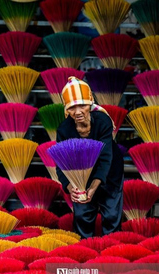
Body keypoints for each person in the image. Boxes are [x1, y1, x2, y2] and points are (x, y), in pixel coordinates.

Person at [56, 76, 124, 238]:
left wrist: (93, 188)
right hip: (80, 178)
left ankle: (111, 253)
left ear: (90, 103)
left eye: (82, 105)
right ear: (66, 109)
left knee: (111, 215)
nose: (78, 112)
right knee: (82, 216)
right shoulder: (64, 130)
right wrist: (71, 188)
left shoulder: (103, 122)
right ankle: (85, 254)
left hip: (110, 172)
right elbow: (61, 165)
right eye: (72, 107)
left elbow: (106, 158)